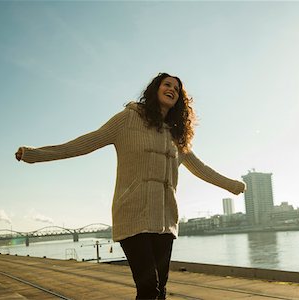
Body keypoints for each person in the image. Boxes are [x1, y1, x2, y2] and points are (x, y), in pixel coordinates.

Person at [15, 72, 245, 299]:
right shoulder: (128, 119)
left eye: (177, 88)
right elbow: (84, 143)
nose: (172, 89)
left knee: (160, 289)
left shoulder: (176, 136)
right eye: (167, 84)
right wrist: (34, 154)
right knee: (148, 287)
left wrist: (232, 185)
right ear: (155, 89)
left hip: (165, 221)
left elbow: (201, 168)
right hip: (132, 215)